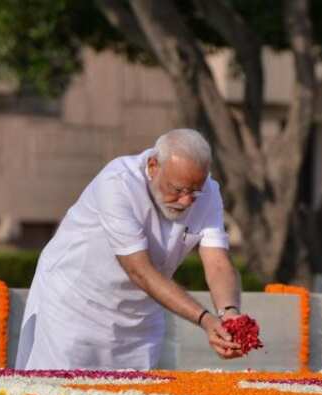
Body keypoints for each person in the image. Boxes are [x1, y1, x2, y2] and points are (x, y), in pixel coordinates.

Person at [15, 129, 243, 370]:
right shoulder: (117, 182)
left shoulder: (209, 192)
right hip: (75, 307)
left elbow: (217, 261)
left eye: (194, 192)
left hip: (140, 320)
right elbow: (139, 270)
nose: (186, 201)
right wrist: (205, 319)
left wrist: (229, 311)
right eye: (178, 189)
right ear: (154, 165)